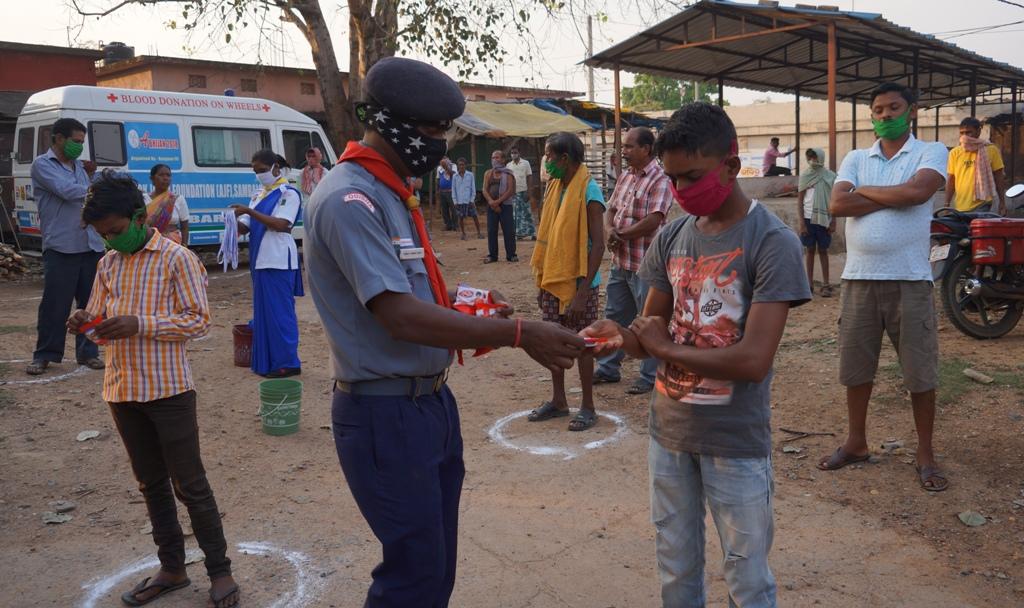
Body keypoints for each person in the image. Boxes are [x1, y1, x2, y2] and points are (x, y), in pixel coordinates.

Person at [303, 56, 584, 608]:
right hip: (385, 414)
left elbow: (410, 285)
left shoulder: (389, 192)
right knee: (413, 578)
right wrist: (521, 333)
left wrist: (468, 299)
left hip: (428, 407)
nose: (441, 143)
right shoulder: (349, 199)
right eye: (433, 130)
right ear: (390, 124)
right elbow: (400, 315)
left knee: (434, 569)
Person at [582, 102, 810, 607]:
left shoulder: (771, 243)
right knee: (676, 569)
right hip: (670, 433)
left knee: (747, 581)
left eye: (693, 177)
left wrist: (662, 346)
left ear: (731, 165)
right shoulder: (673, 237)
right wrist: (618, 335)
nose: (682, 192)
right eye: (674, 180)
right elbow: (650, 330)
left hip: (735, 440)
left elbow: (753, 360)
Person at [68, 171, 239, 608]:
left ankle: (219, 571)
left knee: (190, 484)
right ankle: (173, 568)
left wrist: (141, 324)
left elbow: (199, 321)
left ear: (139, 217)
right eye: (104, 235)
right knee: (151, 484)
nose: (111, 240)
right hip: (122, 390)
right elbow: (106, 327)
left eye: (117, 231)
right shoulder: (107, 265)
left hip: (168, 391)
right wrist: (86, 323)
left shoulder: (176, 258)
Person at [818, 83, 950, 493]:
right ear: (870, 114)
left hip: (910, 279)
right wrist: (895, 196)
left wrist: (866, 193)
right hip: (858, 278)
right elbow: (838, 205)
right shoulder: (857, 156)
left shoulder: (931, 151)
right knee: (856, 369)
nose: (885, 114)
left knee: (919, 370)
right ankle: (856, 442)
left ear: (911, 110)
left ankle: (925, 453)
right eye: (877, 109)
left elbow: (919, 191)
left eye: (894, 107)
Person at [528, 131, 607, 432]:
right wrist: (541, 284)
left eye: (549, 156)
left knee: (584, 344)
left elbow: (598, 245)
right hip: (553, 278)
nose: (546, 162)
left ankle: (588, 406)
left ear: (565, 159)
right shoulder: (554, 189)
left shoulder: (590, 191)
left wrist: (583, 292)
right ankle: (559, 400)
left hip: (580, 283)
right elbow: (548, 239)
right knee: (553, 340)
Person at [595, 126, 673, 395]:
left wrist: (620, 235)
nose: (624, 152)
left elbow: (655, 219)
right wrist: (609, 231)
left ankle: (650, 375)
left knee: (649, 319)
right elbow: (611, 209)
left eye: (629, 147)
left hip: (645, 263)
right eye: (624, 147)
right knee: (616, 314)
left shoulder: (660, 179)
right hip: (622, 260)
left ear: (646, 149)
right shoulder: (625, 175)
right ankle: (608, 368)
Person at [26, 117, 105, 376]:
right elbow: (67, 191)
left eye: (82, 142)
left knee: (91, 304)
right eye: (75, 141)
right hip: (61, 245)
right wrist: (96, 187)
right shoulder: (42, 165)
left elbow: (83, 193)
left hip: (90, 244)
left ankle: (88, 353)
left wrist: (91, 182)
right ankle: (45, 354)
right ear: (58, 138)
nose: (79, 146)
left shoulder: (79, 168)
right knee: (55, 305)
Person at [231, 149, 303, 378]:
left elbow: (283, 224)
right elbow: (246, 226)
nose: (259, 175)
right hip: (261, 259)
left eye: (262, 170)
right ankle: (270, 361)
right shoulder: (259, 194)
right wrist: (232, 222)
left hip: (279, 259)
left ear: (276, 168)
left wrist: (250, 211)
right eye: (255, 171)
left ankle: (288, 362)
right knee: (265, 313)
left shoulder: (289, 193)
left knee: (281, 313)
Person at [945, 117, 1007, 214]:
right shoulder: (955, 153)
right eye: (962, 133)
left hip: (982, 203)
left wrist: (1002, 202)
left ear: (978, 132)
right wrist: (947, 203)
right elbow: (951, 179)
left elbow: (999, 177)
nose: (965, 136)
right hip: (960, 205)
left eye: (969, 132)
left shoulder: (991, 150)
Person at [796, 148, 837, 297]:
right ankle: (809, 284)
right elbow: (800, 201)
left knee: (823, 251)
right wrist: (801, 223)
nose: (812, 160)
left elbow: (834, 200)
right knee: (810, 250)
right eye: (810, 158)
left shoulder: (830, 177)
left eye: (815, 157)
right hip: (808, 219)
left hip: (825, 218)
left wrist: (834, 221)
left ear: (820, 158)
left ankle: (826, 285)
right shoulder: (805, 176)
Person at [483, 149, 518, 263]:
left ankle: (511, 255)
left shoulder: (508, 174)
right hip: (491, 206)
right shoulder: (488, 173)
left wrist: (497, 202)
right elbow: (484, 189)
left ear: (503, 159)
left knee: (508, 230)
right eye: (493, 158)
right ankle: (492, 256)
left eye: (497, 157)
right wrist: (491, 202)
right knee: (491, 230)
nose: (494, 160)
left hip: (505, 206)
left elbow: (510, 190)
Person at [144, 164, 190, 245]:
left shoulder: (177, 199)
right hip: (149, 242)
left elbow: (185, 227)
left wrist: (184, 245)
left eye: (168, 175)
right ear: (152, 178)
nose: (165, 178)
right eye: (161, 175)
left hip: (173, 244)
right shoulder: (144, 199)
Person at [507, 146, 536, 240]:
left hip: (524, 191)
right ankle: (519, 233)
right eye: (512, 153)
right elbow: (508, 179)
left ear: (519, 153)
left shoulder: (525, 163)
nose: (513, 154)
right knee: (516, 214)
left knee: (527, 213)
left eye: (515, 152)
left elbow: (530, 177)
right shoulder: (509, 165)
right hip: (514, 192)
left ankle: (532, 233)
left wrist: (529, 191)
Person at [451, 157, 483, 240]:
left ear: (465, 165)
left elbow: (473, 188)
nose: (461, 166)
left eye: (463, 165)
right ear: (458, 166)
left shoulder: (470, 175)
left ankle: (479, 233)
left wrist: (472, 200)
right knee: (460, 218)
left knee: (475, 216)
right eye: (460, 165)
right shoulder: (455, 176)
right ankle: (463, 234)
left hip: (469, 201)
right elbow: (453, 190)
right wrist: (455, 201)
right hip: (459, 201)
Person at [437, 156, 458, 230]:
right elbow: (438, 179)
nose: (443, 161)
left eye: (445, 159)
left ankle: (455, 225)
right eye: (442, 160)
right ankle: (448, 225)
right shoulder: (439, 168)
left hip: (451, 191)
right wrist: (438, 190)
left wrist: (446, 167)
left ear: (448, 160)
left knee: (453, 209)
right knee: (444, 210)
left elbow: (454, 175)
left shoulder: (453, 165)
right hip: (442, 191)